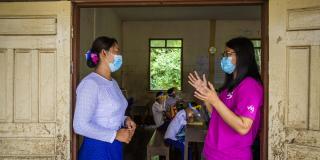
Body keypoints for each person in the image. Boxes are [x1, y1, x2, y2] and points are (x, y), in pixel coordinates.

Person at [188, 37, 263, 160]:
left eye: (228, 54)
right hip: (213, 152)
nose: (224, 58)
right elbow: (217, 115)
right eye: (224, 54)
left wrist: (216, 101)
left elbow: (243, 127)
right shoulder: (229, 86)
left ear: (242, 56)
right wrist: (207, 96)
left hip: (232, 155)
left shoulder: (250, 85)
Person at [73, 36, 136, 160]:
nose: (119, 55)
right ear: (103, 53)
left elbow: (106, 114)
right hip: (97, 149)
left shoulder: (113, 83)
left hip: (115, 145)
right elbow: (80, 125)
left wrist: (125, 120)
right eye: (116, 51)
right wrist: (115, 134)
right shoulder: (90, 83)